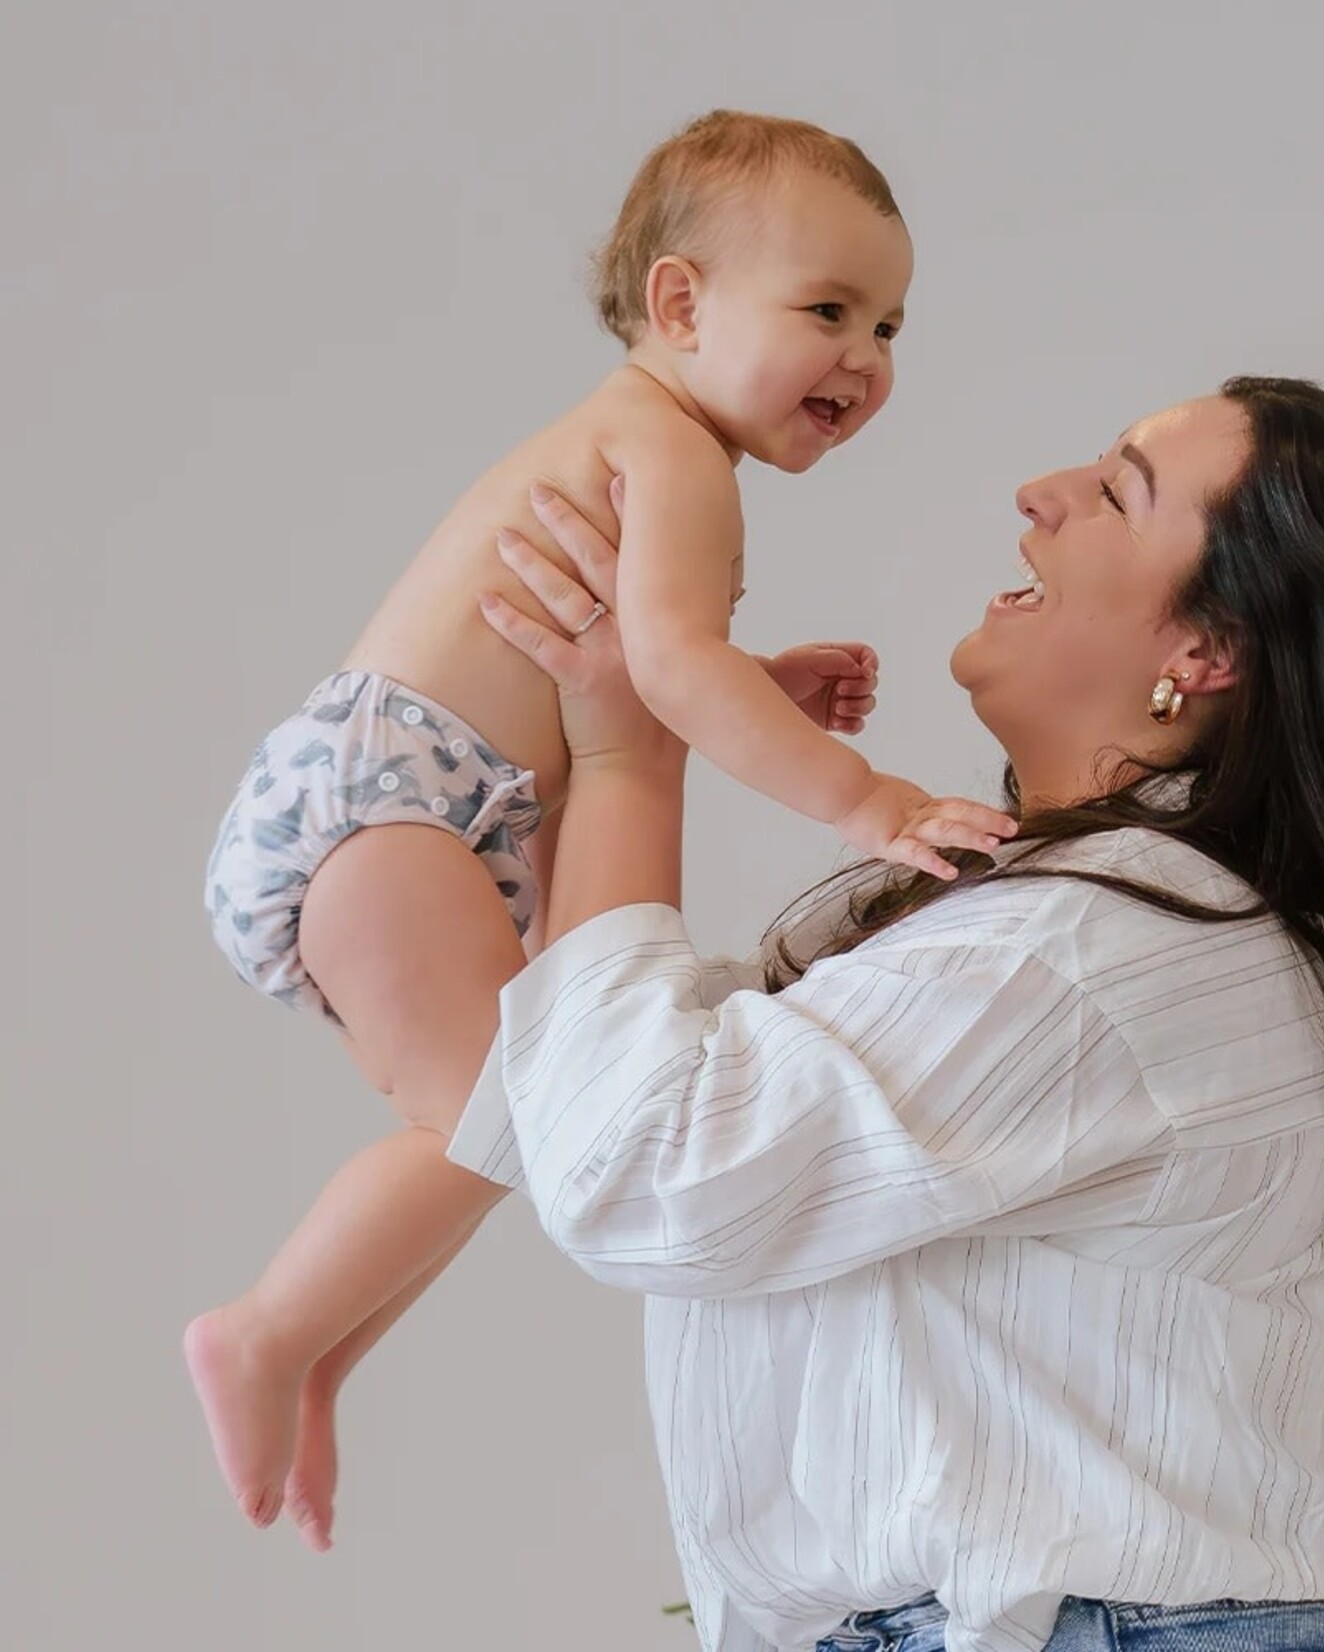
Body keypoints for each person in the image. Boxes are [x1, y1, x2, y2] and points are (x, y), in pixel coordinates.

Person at [444, 377, 1324, 1652]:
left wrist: (630, 753)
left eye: (1118, 490)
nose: (1039, 494)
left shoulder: (1093, 948)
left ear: (1204, 652)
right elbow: (570, 1097)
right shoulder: (1082, 924)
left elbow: (638, 1162)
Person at [185, 108, 1017, 1544]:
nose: (866, 359)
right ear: (681, 304)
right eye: (827, 311)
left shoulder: (644, 441)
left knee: (501, 1128)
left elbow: (641, 670)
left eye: (889, 325)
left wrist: (759, 685)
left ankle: (315, 1354)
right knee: (517, 1123)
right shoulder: (673, 454)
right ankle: (262, 1334)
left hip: (385, 806)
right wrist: (867, 798)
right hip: (394, 815)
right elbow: (668, 676)